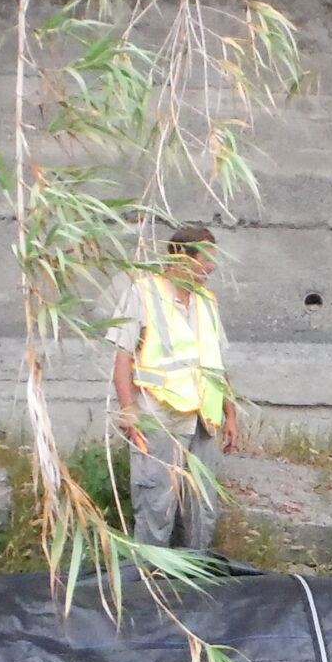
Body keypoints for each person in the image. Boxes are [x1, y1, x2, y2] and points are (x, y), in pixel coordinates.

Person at [108, 225, 238, 552]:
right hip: (159, 418)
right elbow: (122, 356)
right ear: (181, 258)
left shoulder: (206, 302)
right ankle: (151, 584)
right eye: (205, 258)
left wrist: (230, 414)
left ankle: (193, 581)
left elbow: (216, 363)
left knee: (201, 508)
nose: (211, 267)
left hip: (203, 421)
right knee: (156, 504)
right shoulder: (143, 293)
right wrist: (128, 411)